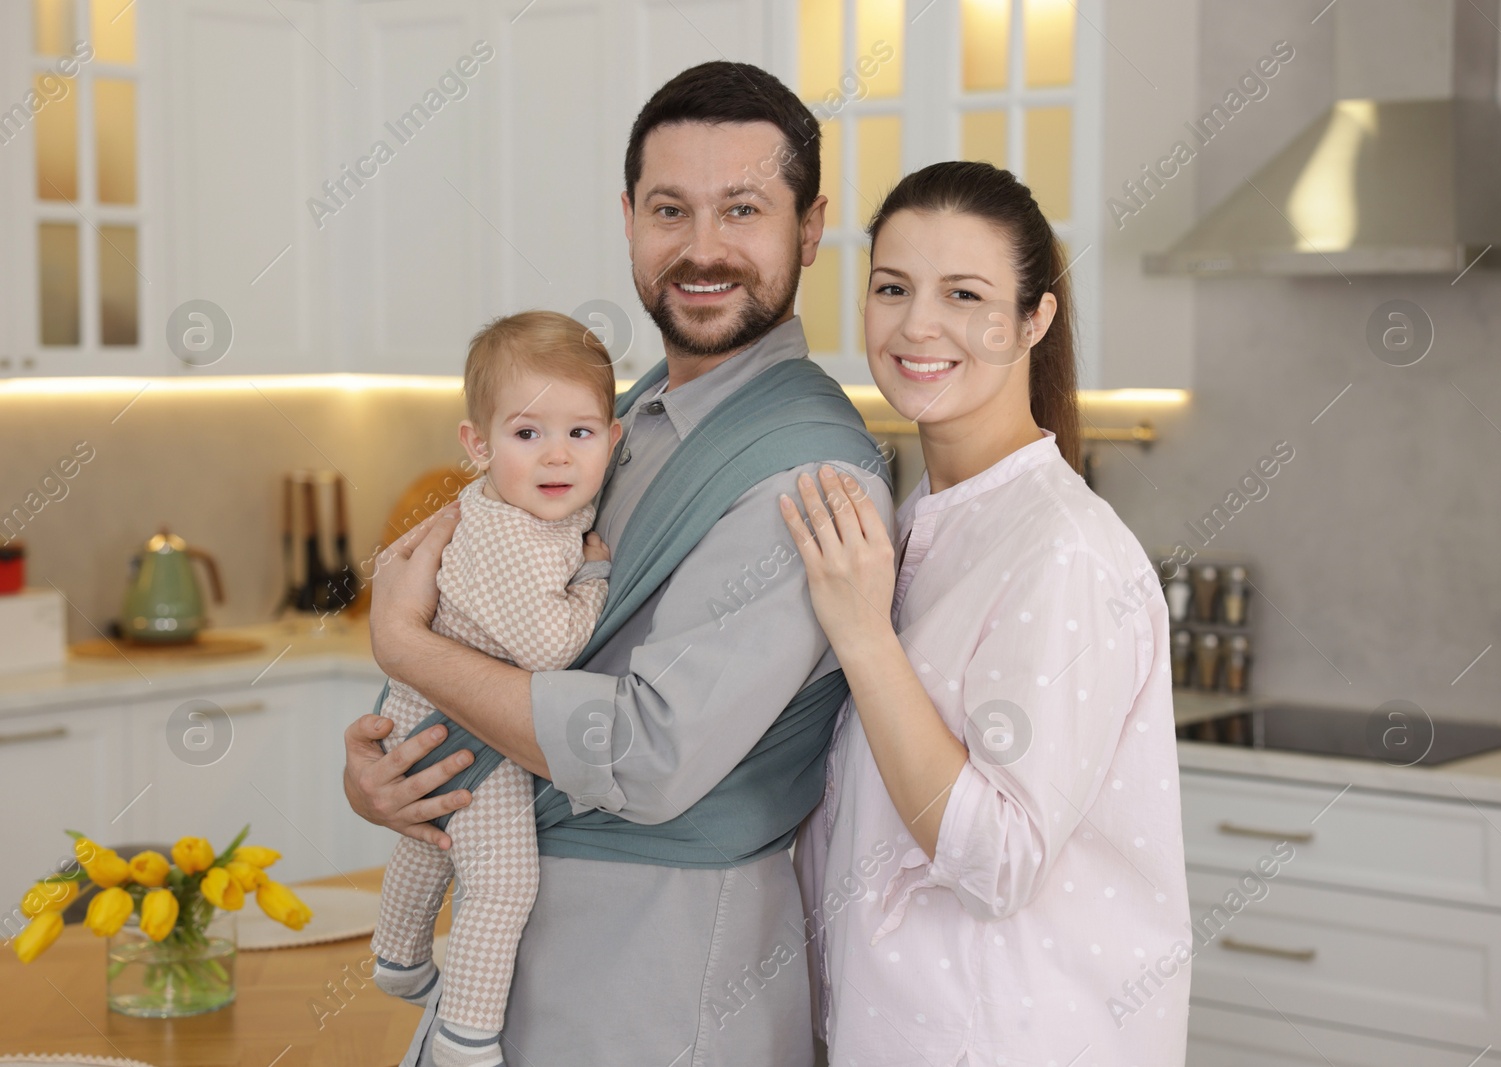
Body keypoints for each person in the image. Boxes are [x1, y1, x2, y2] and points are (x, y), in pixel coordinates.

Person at [343, 61, 894, 1066]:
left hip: (658, 973)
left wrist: (406, 648)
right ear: (628, 216)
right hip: (540, 955)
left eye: (743, 209)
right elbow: (520, 648)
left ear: (810, 228)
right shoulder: (620, 417)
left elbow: (643, 752)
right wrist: (398, 774)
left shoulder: (807, 471)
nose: (702, 248)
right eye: (670, 208)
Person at [784, 161, 1191, 1065]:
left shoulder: (1065, 553)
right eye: (893, 288)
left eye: (964, 294)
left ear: (1033, 318)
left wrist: (861, 635)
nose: (918, 325)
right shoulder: (915, 524)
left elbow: (997, 859)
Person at [367, 312, 619, 1067]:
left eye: (581, 433)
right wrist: (594, 583)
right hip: (471, 730)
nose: (556, 456)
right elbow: (549, 647)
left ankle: (398, 954)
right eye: (527, 434)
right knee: (503, 883)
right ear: (477, 444)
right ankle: (467, 1037)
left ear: (613, 439)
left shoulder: (511, 506)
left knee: (432, 839)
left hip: (429, 716)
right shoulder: (512, 532)